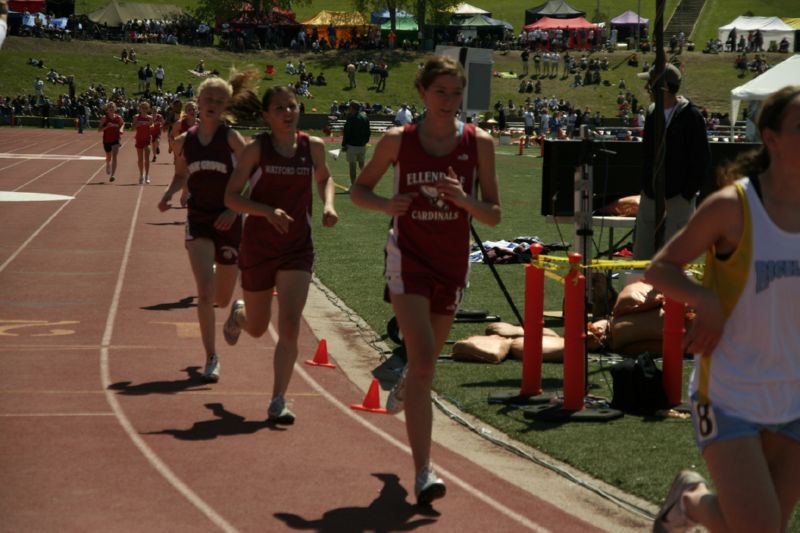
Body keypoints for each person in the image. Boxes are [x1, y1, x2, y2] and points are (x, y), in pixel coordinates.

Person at [645, 85, 800, 533]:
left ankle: (687, 504)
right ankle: (691, 502)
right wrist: (705, 299)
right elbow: (660, 269)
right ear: (770, 138)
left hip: (792, 393)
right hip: (731, 392)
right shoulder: (734, 207)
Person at [350, 56, 501, 505]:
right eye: (441, 92)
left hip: (451, 264)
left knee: (423, 364)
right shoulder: (399, 140)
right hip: (408, 260)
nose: (449, 102)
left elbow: (493, 215)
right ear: (422, 92)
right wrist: (385, 206)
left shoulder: (481, 144)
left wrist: (464, 200)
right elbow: (360, 190)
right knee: (425, 363)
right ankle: (423, 472)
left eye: (456, 94)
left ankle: (406, 380)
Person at [222, 86, 338, 424]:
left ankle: (278, 400)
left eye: (292, 106)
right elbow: (231, 197)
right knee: (258, 328)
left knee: (289, 326)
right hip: (259, 247)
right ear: (266, 115)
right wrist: (266, 211)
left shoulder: (312, 147)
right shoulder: (256, 150)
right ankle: (240, 314)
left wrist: (328, 205)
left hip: (297, 248)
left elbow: (326, 178)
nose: (288, 112)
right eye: (279, 108)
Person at [157, 74, 253, 383]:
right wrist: (169, 193)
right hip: (198, 220)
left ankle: (235, 311)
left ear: (225, 105)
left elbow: (249, 181)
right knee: (204, 291)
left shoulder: (232, 140)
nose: (212, 105)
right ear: (197, 102)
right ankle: (211, 356)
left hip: (229, 221)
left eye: (218, 101)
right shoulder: (187, 141)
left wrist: (232, 208)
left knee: (222, 299)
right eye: (207, 99)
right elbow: (181, 175)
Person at [633, 62, 710, 260]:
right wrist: (646, 186)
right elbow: (647, 154)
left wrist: (686, 193)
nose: (647, 88)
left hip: (679, 198)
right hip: (651, 195)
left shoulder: (691, 117)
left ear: (664, 87)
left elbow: (701, 159)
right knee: (642, 255)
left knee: (673, 259)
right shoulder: (651, 113)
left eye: (650, 83)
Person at [341, 101, 370, 190]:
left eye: (350, 107)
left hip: (352, 145)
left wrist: (344, 144)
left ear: (353, 108)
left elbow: (347, 132)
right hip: (362, 145)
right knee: (362, 164)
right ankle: (367, 183)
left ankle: (354, 186)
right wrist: (365, 142)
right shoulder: (365, 117)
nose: (348, 109)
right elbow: (368, 131)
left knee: (352, 166)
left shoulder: (351, 118)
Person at [98, 101, 124, 183]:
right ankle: (107, 164)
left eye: (113, 107)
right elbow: (99, 130)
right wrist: (106, 127)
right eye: (110, 108)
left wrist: (120, 129)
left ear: (115, 108)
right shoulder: (104, 118)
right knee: (109, 157)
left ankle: (112, 175)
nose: (111, 109)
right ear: (107, 109)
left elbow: (123, 124)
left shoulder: (118, 117)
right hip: (107, 140)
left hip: (116, 139)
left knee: (115, 155)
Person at [132, 100, 153, 184]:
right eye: (142, 108)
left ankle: (147, 175)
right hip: (139, 139)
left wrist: (150, 125)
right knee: (140, 159)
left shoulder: (150, 118)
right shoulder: (136, 117)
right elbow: (132, 128)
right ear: (139, 109)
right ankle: (141, 175)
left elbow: (152, 126)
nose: (144, 109)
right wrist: (138, 124)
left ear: (148, 109)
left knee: (147, 158)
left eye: (146, 108)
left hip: (147, 139)